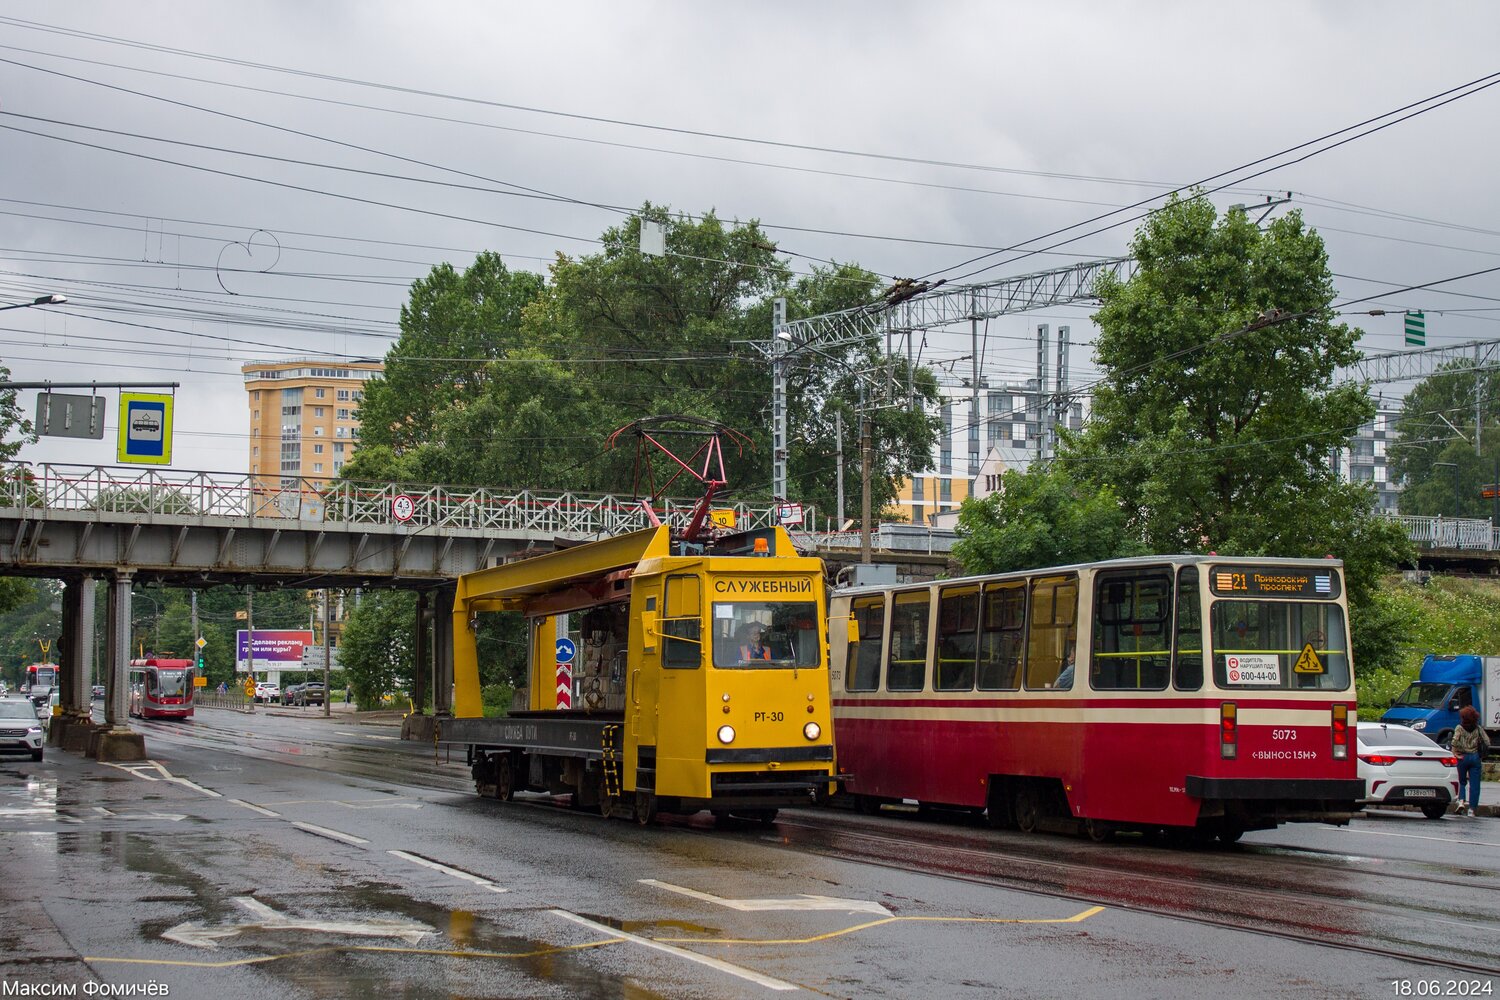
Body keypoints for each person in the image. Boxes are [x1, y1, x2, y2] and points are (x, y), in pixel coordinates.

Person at [1451, 705, 1491, 817]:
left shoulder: (1459, 728)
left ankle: (1461, 801)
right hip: (1475, 757)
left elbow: (1454, 742)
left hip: (1462, 757)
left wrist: (1455, 753)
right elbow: (1487, 742)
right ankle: (1472, 810)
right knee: (1475, 785)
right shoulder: (1478, 728)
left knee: (1462, 782)